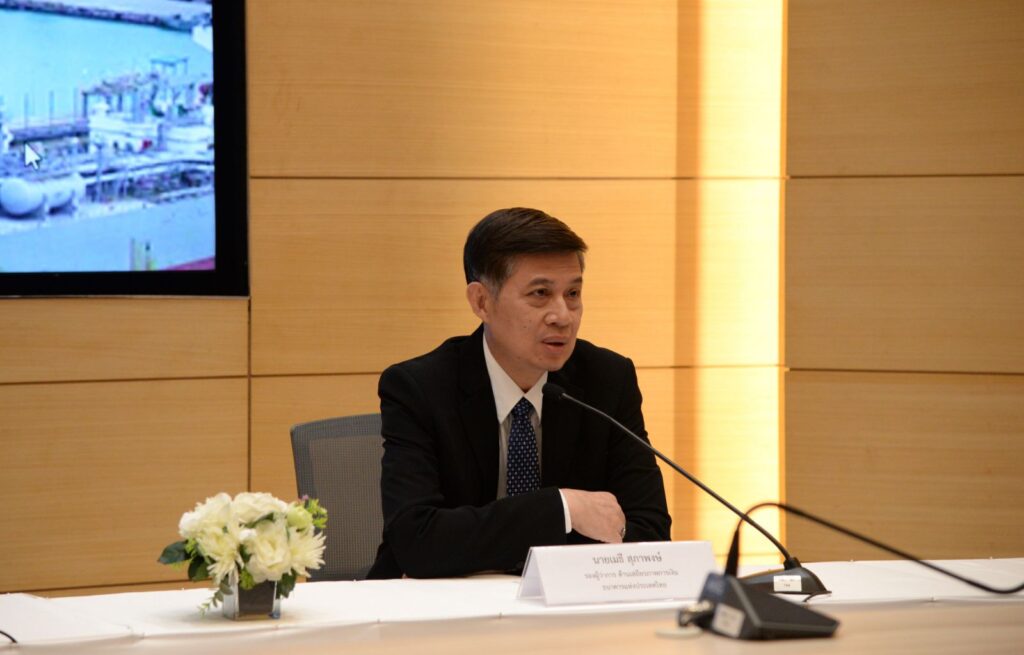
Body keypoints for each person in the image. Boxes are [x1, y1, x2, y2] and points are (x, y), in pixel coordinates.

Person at [367, 207, 670, 579]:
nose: (563, 315)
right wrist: (562, 509)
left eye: (573, 293)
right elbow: (417, 539)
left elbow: (650, 535)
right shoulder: (420, 388)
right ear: (482, 302)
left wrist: (488, 544)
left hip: (561, 602)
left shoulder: (606, 380)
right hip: (436, 605)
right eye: (540, 293)